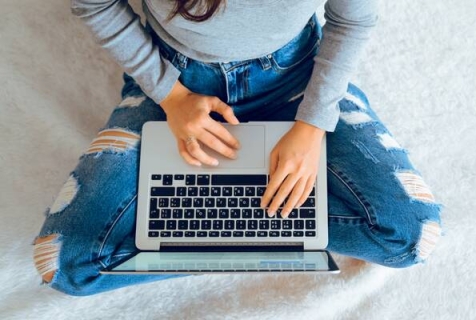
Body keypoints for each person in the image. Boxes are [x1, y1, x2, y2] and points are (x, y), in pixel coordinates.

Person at [33, 0, 442, 296]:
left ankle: (210, 236)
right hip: (173, 83)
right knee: (67, 264)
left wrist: (312, 123)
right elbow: (94, 3)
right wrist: (171, 96)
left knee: (410, 236)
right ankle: (249, 234)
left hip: (297, 80)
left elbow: (351, 21)